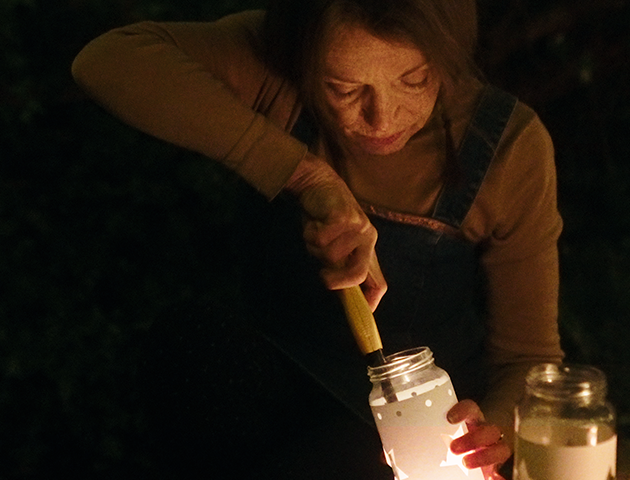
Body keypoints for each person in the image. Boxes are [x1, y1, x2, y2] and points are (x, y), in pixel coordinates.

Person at [73, 0, 563, 477]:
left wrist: (492, 432)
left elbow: (528, 357)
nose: (381, 117)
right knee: (196, 343)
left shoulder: (506, 147)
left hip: (415, 432)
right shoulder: (276, 72)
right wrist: (305, 177)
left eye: (414, 80)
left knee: (347, 456)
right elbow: (105, 61)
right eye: (345, 89)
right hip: (272, 395)